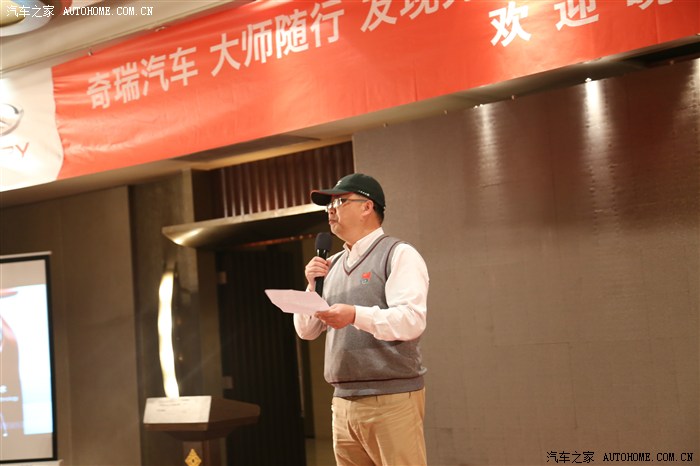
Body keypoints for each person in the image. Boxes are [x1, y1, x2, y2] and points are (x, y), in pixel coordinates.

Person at [294, 173, 429, 466]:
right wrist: (311, 286)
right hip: (342, 400)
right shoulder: (331, 264)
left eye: (339, 202)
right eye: (328, 205)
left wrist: (355, 314)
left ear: (367, 207)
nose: (331, 210)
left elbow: (411, 320)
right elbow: (307, 330)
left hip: (391, 397)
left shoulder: (397, 254)